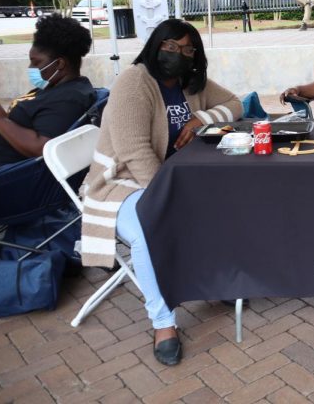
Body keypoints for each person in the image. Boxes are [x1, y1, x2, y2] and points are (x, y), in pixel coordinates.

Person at [81, 19, 242, 366]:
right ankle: (163, 322)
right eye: (170, 46)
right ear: (155, 45)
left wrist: (201, 118)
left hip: (174, 176)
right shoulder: (133, 82)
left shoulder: (189, 82)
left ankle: (209, 282)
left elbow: (234, 103)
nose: (177, 54)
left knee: (225, 200)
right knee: (149, 230)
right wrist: (170, 200)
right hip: (121, 183)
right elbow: (135, 151)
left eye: (187, 49)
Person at [0, 14, 95, 169]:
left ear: (60, 63)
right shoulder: (56, 88)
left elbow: (43, 148)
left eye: (36, 62)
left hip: (6, 178)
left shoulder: (68, 99)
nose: (31, 68)